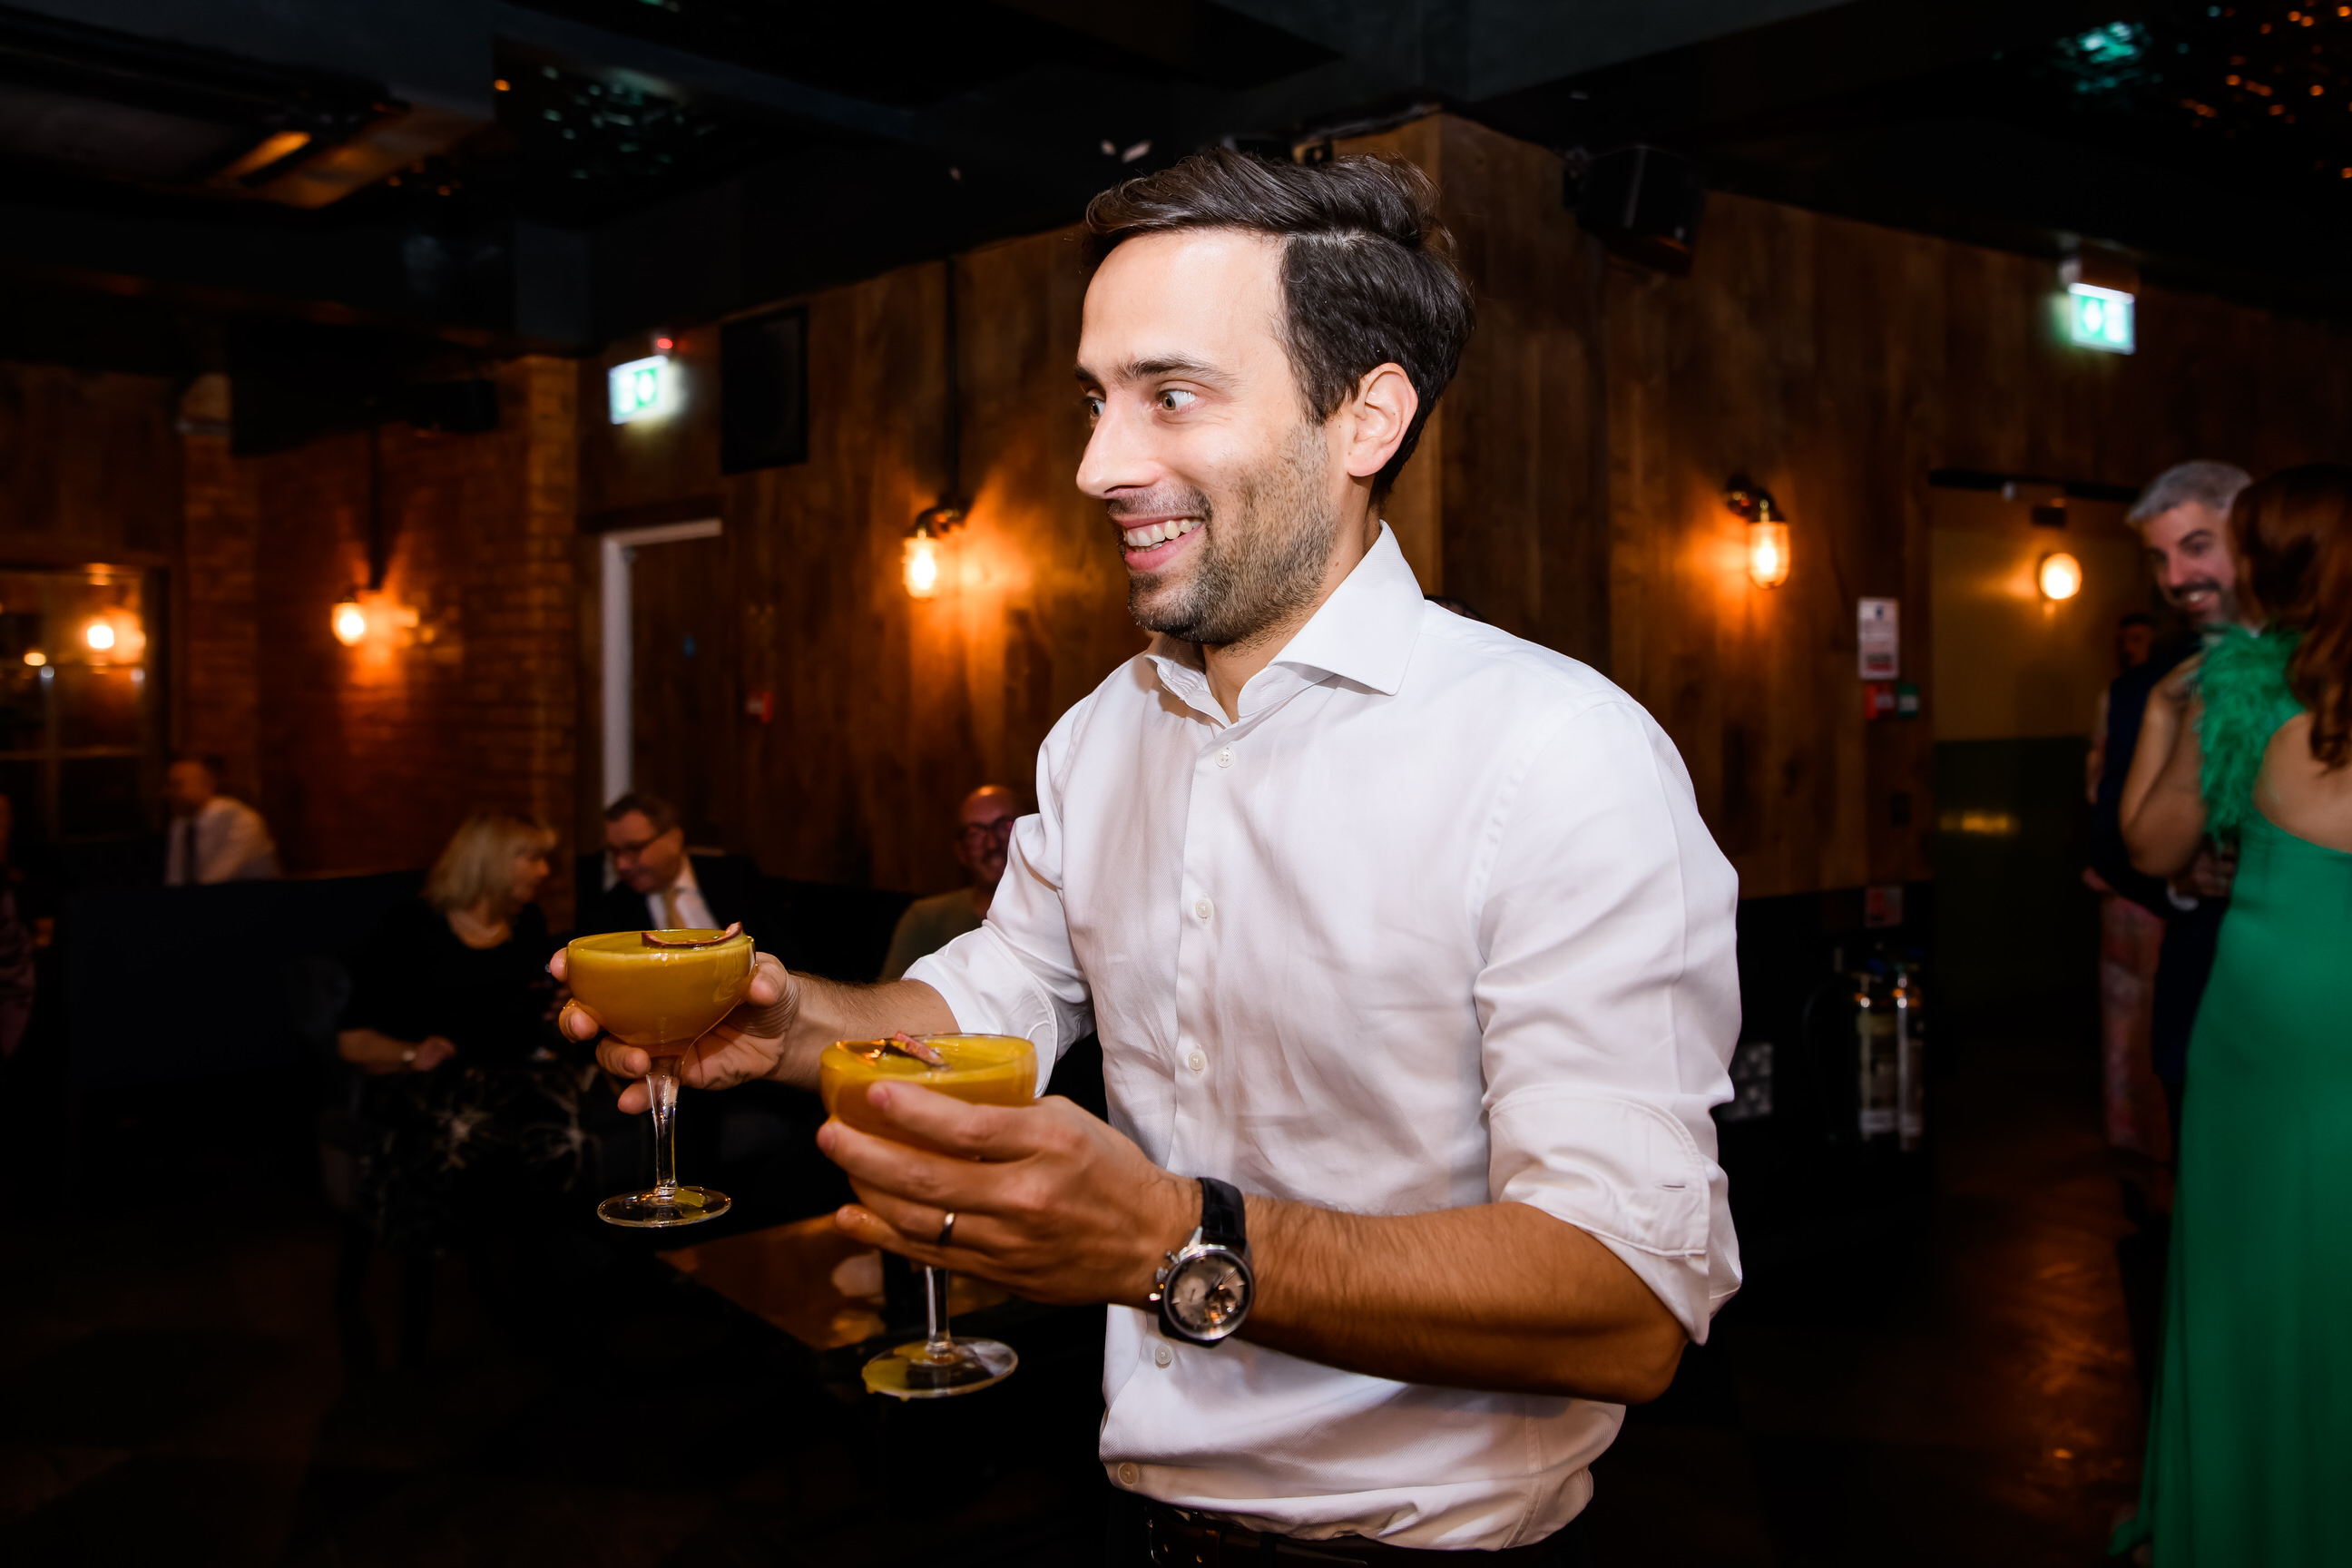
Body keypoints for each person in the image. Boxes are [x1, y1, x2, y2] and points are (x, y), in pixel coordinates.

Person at [558, 149, 1737, 1560]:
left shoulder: (1558, 757)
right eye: (1097, 401)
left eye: (1170, 396)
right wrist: (783, 1019)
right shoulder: (1101, 738)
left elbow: (1626, 1301)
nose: (1098, 466)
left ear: (1366, 417)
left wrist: (1180, 1239)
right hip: (1135, 1516)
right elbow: (987, 1002)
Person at [2112, 465, 2352, 1565]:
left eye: (2211, 549)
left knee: (2263, 1290)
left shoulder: (2264, 699)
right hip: (2267, 1027)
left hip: (2265, 1019)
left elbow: (2158, 845)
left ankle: (2248, 1517)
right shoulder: (2250, 692)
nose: (2188, 578)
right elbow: (2153, 850)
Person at [2089, 462, 2255, 1148]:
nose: (2175, 578)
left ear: (2251, 538)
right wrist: (2182, 885)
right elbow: (2108, 847)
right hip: (2205, 1002)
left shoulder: (2328, 669)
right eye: (2159, 558)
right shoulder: (2146, 690)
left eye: (2195, 547)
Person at [340, 810, 583, 1256]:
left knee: (564, 1126)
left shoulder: (527, 922)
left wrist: (552, 1007)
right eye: (532, 858)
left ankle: (551, 1268)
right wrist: (413, 1054)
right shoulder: (410, 928)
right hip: (430, 1083)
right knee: (525, 1134)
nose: (544, 871)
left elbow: (516, 1016)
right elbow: (352, 1041)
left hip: (515, 1078)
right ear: (490, 861)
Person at [877, 785, 1023, 981]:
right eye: (975, 833)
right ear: (961, 851)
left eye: (1005, 826)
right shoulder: (925, 920)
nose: (992, 844)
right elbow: (890, 1003)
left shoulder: (1061, 912)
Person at [574, 790, 761, 938]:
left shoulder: (736, 878)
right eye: (614, 852)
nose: (621, 865)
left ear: (674, 838)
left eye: (634, 849)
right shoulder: (607, 914)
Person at [161, 751, 278, 884]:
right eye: (168, 785)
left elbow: (216, 880)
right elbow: (175, 878)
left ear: (206, 785)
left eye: (177, 785)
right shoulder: (181, 824)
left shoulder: (242, 822)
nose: (168, 792)